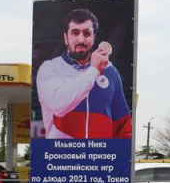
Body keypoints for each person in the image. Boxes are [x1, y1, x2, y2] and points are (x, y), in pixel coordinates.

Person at [36, 8, 132, 139]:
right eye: (75, 33)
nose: (81, 40)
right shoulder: (51, 68)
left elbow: (122, 124)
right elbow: (58, 105)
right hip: (60, 155)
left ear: (93, 37)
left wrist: (118, 156)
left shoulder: (111, 71)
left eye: (87, 34)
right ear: (66, 38)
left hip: (100, 156)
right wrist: (93, 70)